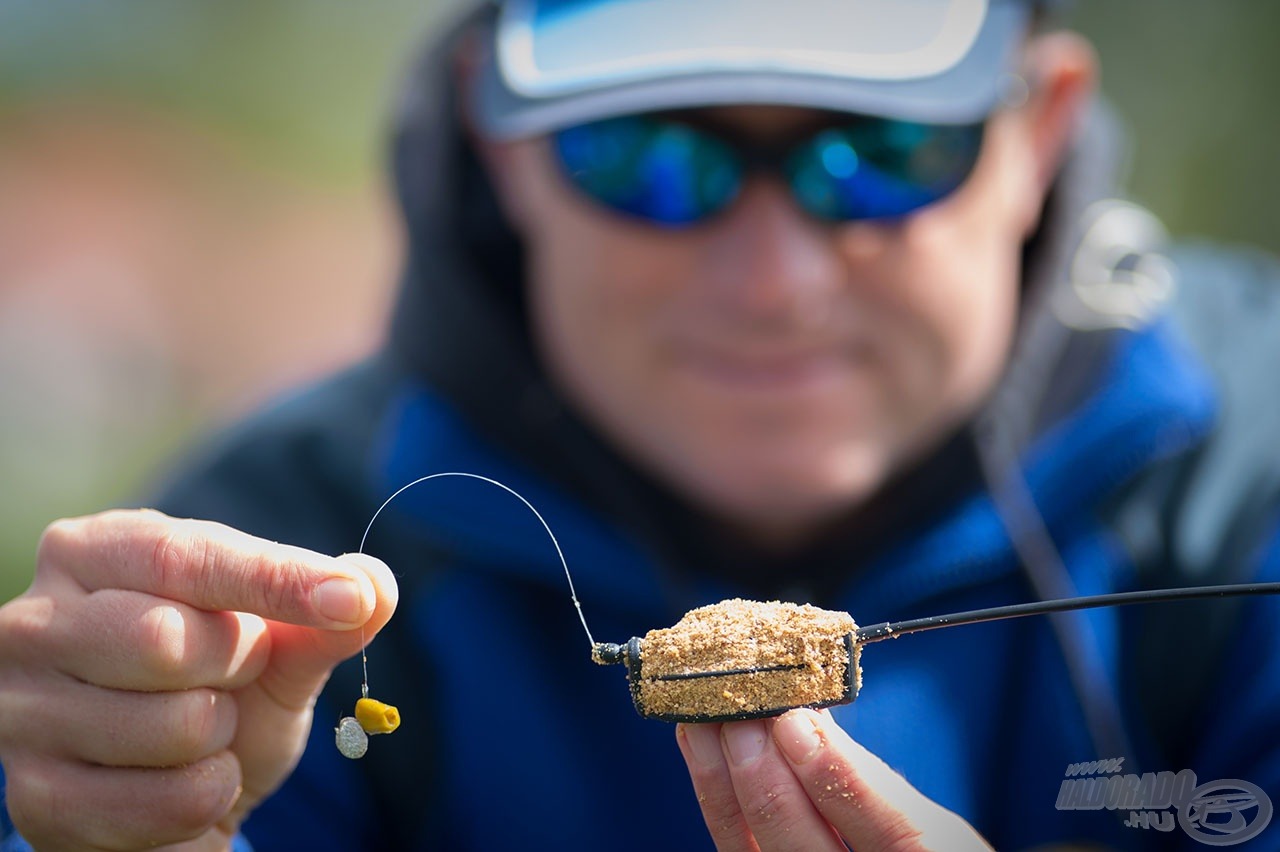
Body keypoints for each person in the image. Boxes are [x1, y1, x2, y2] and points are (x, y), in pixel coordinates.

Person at [2, 0, 1279, 848]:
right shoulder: (270, 549)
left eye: (878, 151)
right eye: (648, 160)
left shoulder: (1253, 495)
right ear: (498, 143)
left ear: (1039, 129)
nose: (772, 282)